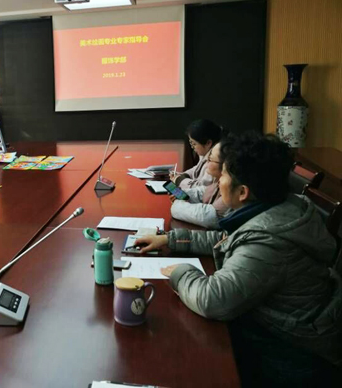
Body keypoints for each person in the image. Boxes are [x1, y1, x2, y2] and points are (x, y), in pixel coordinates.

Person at [136, 132, 342, 387]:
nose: (218, 180)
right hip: (289, 325)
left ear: (243, 192)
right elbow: (228, 239)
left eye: (223, 175)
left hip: (292, 350)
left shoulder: (267, 242)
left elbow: (213, 300)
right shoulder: (281, 207)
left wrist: (180, 272)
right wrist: (171, 239)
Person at [170, 142, 231, 229]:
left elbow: (208, 216)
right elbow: (203, 192)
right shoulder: (219, 181)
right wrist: (183, 194)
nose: (207, 162)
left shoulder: (231, 188)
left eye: (210, 159)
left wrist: (177, 204)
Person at [172, 119, 223, 190]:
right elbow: (197, 169)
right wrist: (183, 175)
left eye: (194, 144)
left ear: (208, 143)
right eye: (191, 143)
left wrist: (180, 181)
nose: (192, 147)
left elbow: (202, 189)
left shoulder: (215, 160)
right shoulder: (205, 152)